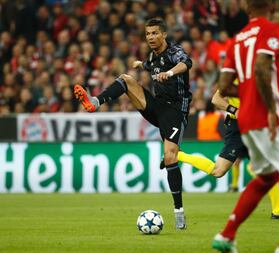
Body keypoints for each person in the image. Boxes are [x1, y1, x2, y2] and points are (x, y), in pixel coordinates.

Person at [211, 0, 279, 253]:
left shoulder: (236, 41)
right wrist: (270, 108)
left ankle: (227, 235)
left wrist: (246, 94)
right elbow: (260, 68)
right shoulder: (271, 30)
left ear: (247, 10)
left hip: (244, 117)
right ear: (270, 6)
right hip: (267, 113)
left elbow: (223, 85)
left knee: (266, 177)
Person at [73, 18, 193, 230]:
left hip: (175, 112)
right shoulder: (151, 57)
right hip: (157, 107)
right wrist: (141, 64)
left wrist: (171, 72)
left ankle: (179, 213)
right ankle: (95, 102)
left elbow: (187, 63)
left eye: (155, 33)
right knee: (126, 79)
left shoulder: (175, 52)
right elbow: (151, 65)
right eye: (148, 34)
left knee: (171, 156)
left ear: (163, 34)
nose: (151, 37)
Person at [161, 89, 279, 219]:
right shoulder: (233, 77)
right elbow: (216, 99)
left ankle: (277, 211)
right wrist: (234, 110)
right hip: (237, 126)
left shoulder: (258, 77)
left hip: (255, 125)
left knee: (268, 167)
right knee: (218, 171)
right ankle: (177, 155)